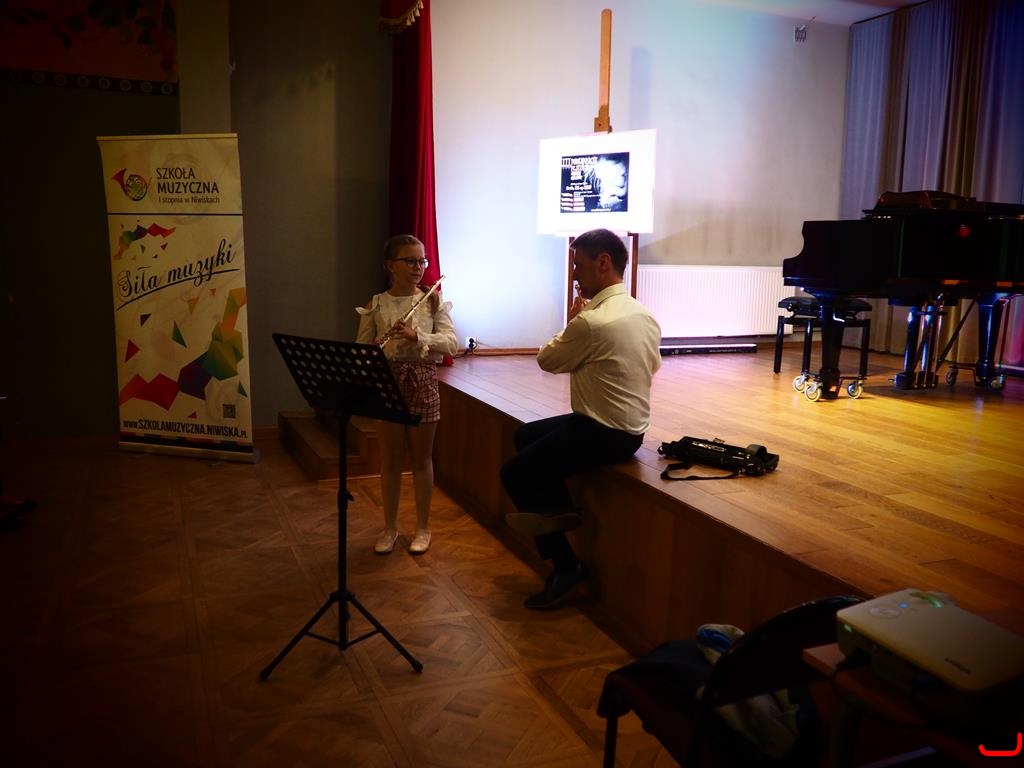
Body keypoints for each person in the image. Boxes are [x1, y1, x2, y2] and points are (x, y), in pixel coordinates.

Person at [500, 228, 662, 609]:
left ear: (603, 263)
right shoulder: (642, 314)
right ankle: (559, 509)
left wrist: (571, 322)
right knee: (525, 437)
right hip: (632, 430)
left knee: (513, 473)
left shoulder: (593, 321)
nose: (574, 274)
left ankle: (567, 565)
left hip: (602, 432)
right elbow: (652, 365)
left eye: (578, 264)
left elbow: (547, 360)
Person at [356, 235, 458, 555]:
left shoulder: (433, 301)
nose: (418, 267)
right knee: (390, 460)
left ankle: (423, 528)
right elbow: (361, 348)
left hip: (422, 379)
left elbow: (451, 344)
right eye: (410, 261)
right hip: (387, 381)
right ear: (391, 265)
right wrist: (372, 351)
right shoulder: (376, 304)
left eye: (421, 261)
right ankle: (390, 528)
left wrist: (417, 336)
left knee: (422, 459)